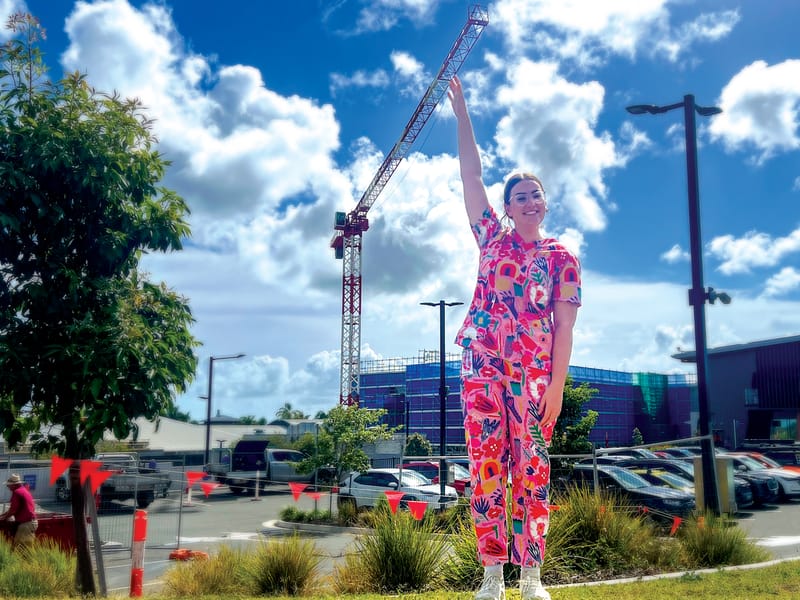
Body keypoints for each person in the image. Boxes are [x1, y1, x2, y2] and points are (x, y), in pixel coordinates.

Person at [448, 75, 581, 600]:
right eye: (517, 196)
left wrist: (557, 385)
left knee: (531, 468)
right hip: (481, 363)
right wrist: (463, 119)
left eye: (534, 194)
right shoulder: (490, 237)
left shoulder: (561, 258)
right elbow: (471, 173)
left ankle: (531, 578)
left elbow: (565, 326)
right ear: (506, 208)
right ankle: (492, 575)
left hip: (532, 372)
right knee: (486, 465)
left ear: (544, 204)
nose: (527, 201)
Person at [0, 473, 38, 549]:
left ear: (14, 485)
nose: (8, 486)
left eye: (9, 485)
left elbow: (13, 510)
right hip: (30, 522)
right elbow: (13, 509)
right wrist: (2, 515)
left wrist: (3, 518)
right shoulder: (23, 490)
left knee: (21, 548)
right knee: (24, 547)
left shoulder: (17, 492)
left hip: (26, 524)